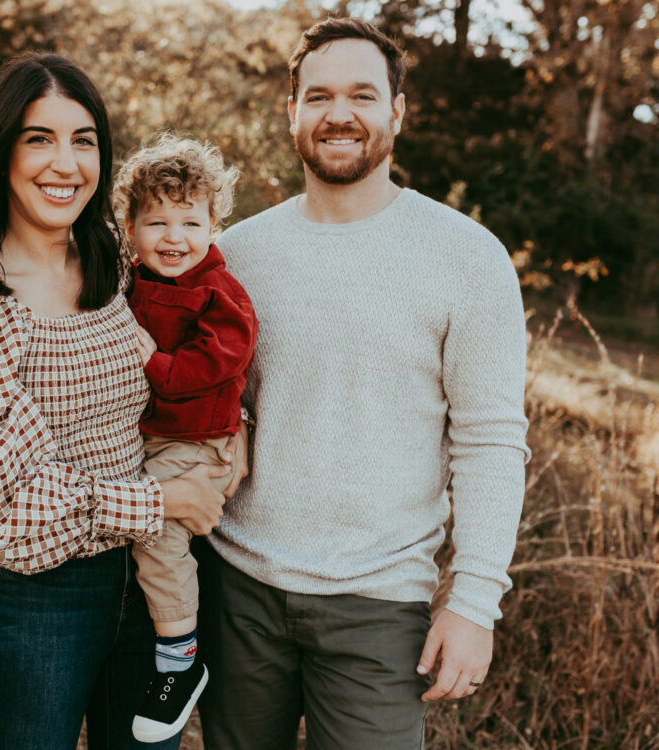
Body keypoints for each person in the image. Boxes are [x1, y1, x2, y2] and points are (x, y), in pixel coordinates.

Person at [194, 17, 531, 750]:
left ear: (397, 112)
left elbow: (491, 441)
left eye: (362, 96)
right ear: (292, 113)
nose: (338, 114)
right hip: (237, 590)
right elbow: (205, 397)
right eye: (318, 96)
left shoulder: (468, 258)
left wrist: (473, 602)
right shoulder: (234, 254)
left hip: (380, 605)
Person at [0, 52, 243, 750]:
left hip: (156, 586)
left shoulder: (121, 261)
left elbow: (213, 342)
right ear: (1, 151)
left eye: (83, 140)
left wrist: (231, 451)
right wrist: (163, 500)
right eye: (39, 138)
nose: (66, 163)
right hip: (46, 601)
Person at [111, 135, 258, 743]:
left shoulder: (218, 289)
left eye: (190, 222)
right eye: (157, 222)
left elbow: (223, 358)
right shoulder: (130, 278)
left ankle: (180, 657)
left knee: (158, 533)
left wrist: (156, 364)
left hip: (197, 440)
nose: (174, 237)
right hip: (157, 436)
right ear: (131, 226)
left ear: (215, 225)